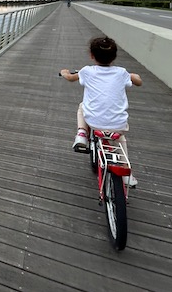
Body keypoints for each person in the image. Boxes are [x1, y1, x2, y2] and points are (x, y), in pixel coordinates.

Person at [60, 36, 143, 186]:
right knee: (120, 140)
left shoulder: (87, 71)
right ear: (114, 56)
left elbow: (71, 78)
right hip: (118, 124)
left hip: (94, 121)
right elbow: (138, 81)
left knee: (82, 106)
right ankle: (127, 172)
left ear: (92, 55)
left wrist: (65, 72)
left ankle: (81, 134)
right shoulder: (122, 73)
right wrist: (133, 76)